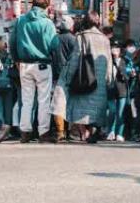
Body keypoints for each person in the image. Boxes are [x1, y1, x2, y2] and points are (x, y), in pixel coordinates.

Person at [10, 0, 58, 143]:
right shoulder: (47, 23)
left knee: (26, 99)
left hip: (24, 64)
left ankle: (25, 132)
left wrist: (16, 59)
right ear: (47, 6)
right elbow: (54, 45)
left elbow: (12, 42)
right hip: (43, 64)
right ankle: (43, 132)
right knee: (43, 100)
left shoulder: (20, 21)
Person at [66, 11, 113, 144]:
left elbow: (75, 57)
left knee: (84, 104)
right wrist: (109, 78)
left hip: (85, 77)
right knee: (98, 105)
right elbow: (109, 60)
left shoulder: (81, 37)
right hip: (100, 78)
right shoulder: (105, 39)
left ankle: (85, 131)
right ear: (97, 23)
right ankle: (96, 130)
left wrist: (69, 76)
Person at [50, 15, 77, 143]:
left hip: (56, 75)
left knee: (57, 104)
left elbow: (50, 55)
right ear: (71, 26)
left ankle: (60, 131)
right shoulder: (74, 40)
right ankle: (71, 131)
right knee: (71, 103)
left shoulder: (54, 39)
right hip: (71, 76)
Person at [0, 36, 15, 143]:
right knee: (8, 107)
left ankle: (0, 127)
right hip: (9, 83)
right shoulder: (10, 56)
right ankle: (8, 129)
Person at [107, 44, 128, 143]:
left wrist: (117, 63)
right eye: (113, 48)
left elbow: (124, 75)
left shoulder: (123, 61)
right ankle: (110, 131)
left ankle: (119, 133)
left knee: (120, 113)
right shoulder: (108, 61)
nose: (114, 50)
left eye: (116, 48)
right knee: (111, 111)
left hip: (121, 89)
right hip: (111, 89)